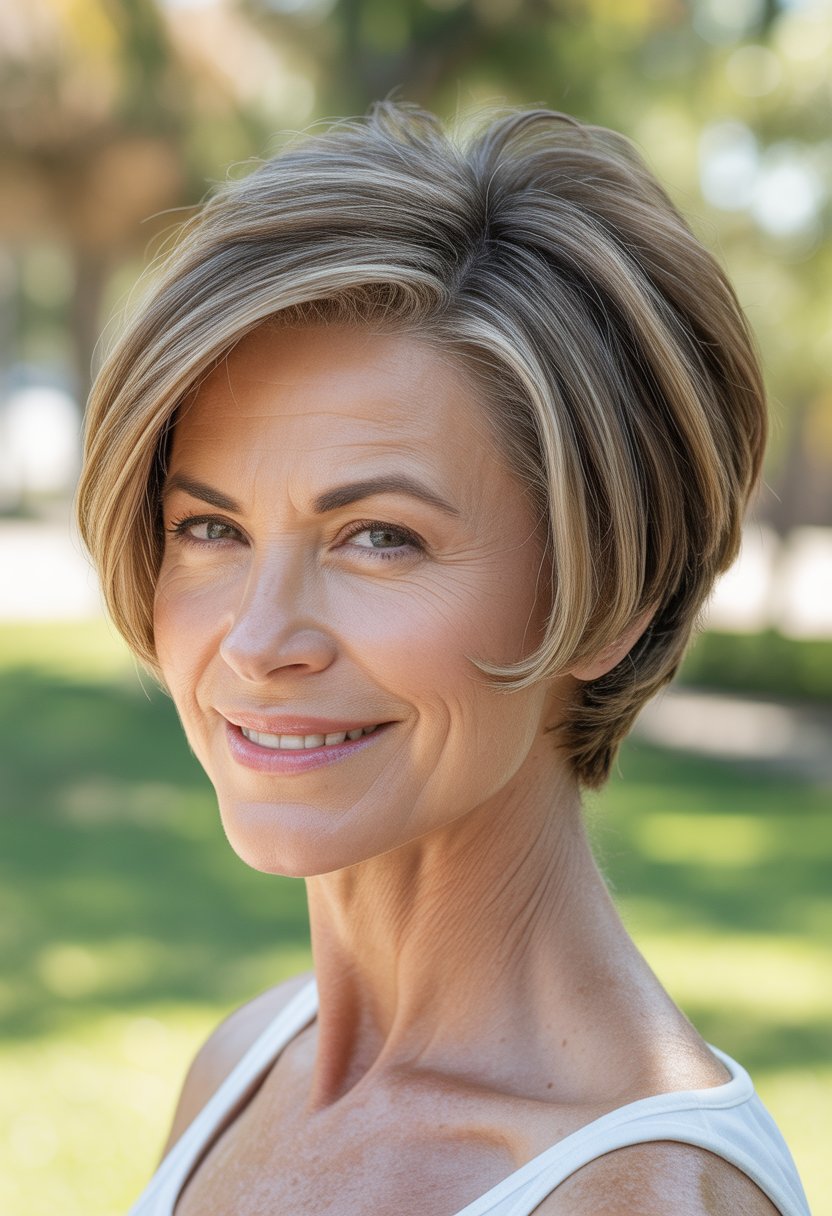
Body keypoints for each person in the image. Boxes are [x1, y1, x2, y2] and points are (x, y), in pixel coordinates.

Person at [76, 102, 811, 1216]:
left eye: (379, 537)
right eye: (210, 528)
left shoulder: (629, 1197)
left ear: (609, 593)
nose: (260, 640)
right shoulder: (245, 1067)